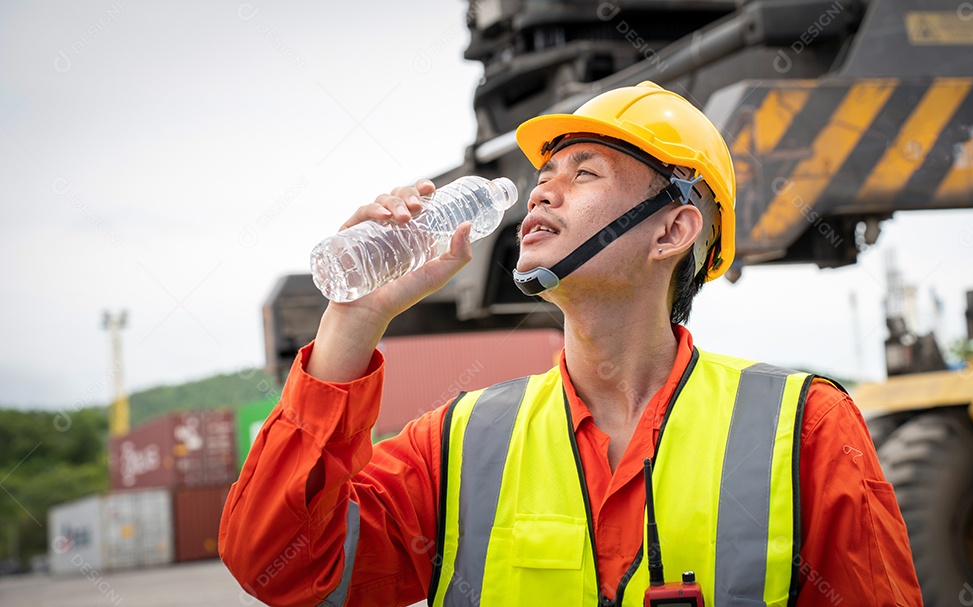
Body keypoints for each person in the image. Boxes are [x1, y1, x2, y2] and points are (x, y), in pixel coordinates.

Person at [220, 81, 922, 607]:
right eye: (542, 176)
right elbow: (278, 563)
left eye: (582, 172)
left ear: (672, 231)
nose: (541, 193)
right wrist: (351, 320)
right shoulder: (461, 446)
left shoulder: (806, 431)